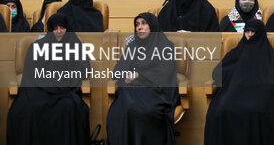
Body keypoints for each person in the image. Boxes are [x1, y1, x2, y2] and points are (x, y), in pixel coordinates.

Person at [7, 13, 91, 145]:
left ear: (67, 28)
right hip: (40, 90)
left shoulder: (74, 44)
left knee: (68, 108)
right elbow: (32, 73)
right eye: (55, 28)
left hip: (65, 91)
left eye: (62, 28)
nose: (58, 31)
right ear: (50, 29)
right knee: (24, 109)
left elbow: (84, 70)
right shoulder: (38, 46)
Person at [204, 18, 274, 145]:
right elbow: (218, 72)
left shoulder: (268, 53)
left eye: (252, 32)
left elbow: (271, 76)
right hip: (233, 94)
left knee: (257, 111)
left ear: (259, 33)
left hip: (258, 95)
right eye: (247, 31)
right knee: (220, 111)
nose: (249, 35)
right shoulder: (235, 52)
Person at [106, 13, 180, 145]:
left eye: (144, 23)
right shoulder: (132, 47)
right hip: (131, 93)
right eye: (137, 24)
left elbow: (164, 73)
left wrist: (138, 75)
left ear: (152, 26)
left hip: (156, 93)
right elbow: (117, 71)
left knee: (140, 110)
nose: (139, 27)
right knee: (120, 111)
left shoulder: (165, 46)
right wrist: (126, 76)